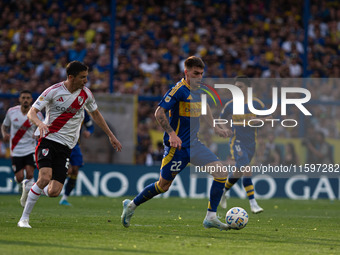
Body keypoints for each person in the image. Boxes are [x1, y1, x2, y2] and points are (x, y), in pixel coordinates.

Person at [121, 56, 233, 231]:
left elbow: (205, 107)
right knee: (163, 186)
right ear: (186, 72)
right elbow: (159, 113)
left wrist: (215, 127)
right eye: (195, 73)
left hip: (194, 145)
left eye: (201, 74)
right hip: (177, 148)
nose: (199, 77)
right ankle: (131, 206)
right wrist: (172, 134)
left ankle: (210, 217)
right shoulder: (178, 90)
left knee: (221, 172)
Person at [17, 61, 122, 228]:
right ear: (71, 77)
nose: (86, 80)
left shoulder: (86, 94)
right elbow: (32, 112)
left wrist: (111, 135)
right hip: (48, 139)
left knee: (54, 192)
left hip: (67, 146)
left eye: (86, 77)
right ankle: (24, 219)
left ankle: (30, 186)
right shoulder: (53, 91)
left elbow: (95, 114)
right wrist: (40, 124)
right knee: (44, 177)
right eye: (83, 77)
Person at [219, 75, 270, 214]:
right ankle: (253, 203)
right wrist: (225, 129)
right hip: (237, 142)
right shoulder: (230, 104)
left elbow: (270, 118)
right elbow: (221, 119)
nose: (237, 89)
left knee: (238, 172)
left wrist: (259, 121)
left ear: (248, 88)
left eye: (240, 86)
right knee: (247, 169)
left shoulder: (256, 103)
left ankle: (223, 191)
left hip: (251, 143)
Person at [1, 90, 44, 207]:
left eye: (28, 98)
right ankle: (22, 186)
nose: (25, 100)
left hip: (30, 148)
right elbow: (4, 126)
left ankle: (26, 199)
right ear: (20, 99)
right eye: (23, 98)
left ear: (31, 100)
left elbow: (42, 128)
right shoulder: (11, 112)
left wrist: (37, 134)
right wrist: (4, 134)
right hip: (15, 149)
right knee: (19, 178)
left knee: (30, 174)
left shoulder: (38, 114)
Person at [59, 110, 94, 206]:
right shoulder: (64, 107)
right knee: (68, 170)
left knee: (75, 171)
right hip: (62, 143)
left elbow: (90, 126)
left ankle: (64, 198)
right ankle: (50, 184)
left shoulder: (84, 112)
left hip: (75, 145)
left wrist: (89, 132)